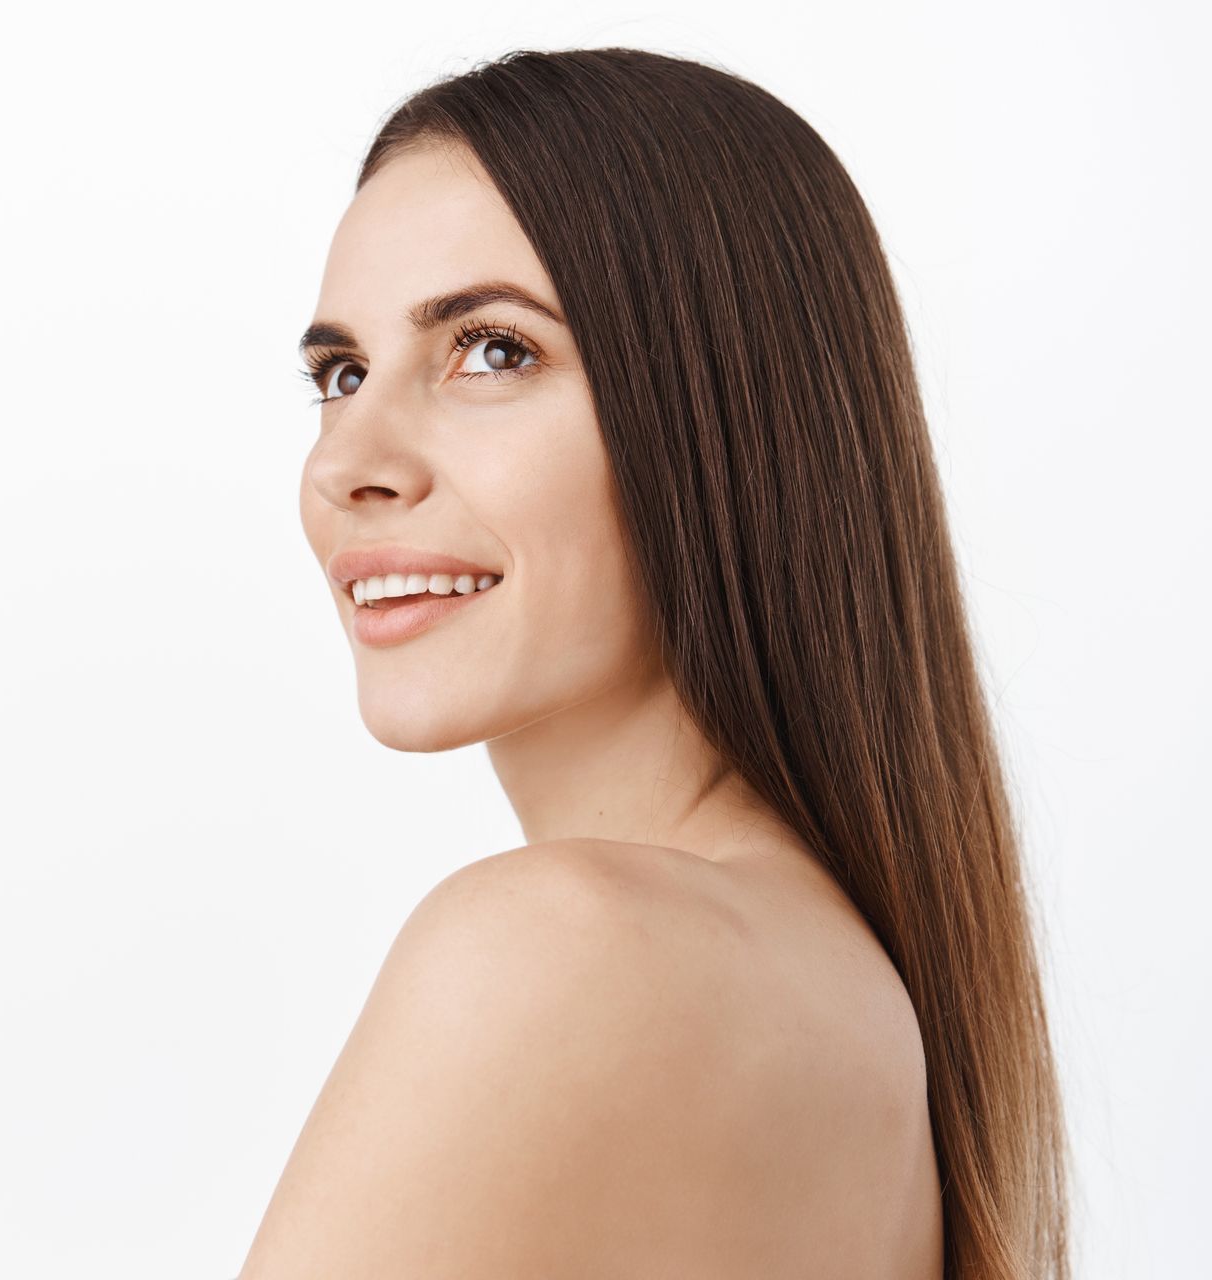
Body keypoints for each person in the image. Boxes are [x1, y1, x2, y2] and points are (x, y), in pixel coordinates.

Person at [236, 48, 1068, 1280]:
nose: (346, 462)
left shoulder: (557, 949)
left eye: (492, 350)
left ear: (731, 420)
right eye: (341, 374)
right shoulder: (844, 989)